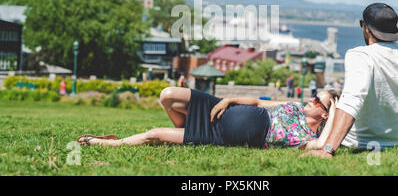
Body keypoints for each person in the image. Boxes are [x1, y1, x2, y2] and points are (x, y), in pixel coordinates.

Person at [303, 3, 398, 158]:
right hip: (392, 144)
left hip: (352, 143)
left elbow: (352, 100)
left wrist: (328, 149)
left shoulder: (360, 55)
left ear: (366, 28)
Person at [77, 87, 339, 151]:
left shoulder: (307, 138)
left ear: (325, 113)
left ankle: (108, 143)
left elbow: (325, 144)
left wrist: (338, 108)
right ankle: (182, 126)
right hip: (218, 109)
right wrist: (228, 100)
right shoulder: (291, 105)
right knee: (167, 95)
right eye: (315, 95)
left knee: (154, 135)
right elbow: (259, 102)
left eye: (319, 100)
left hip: (218, 135)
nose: (312, 98)